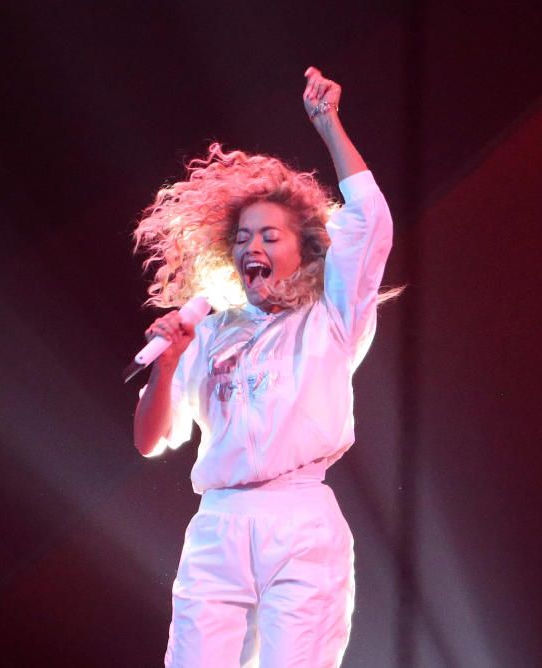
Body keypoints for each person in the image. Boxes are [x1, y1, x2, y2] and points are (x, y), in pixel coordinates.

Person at [132, 66, 397, 667]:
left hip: (298, 523)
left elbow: (370, 223)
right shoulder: (210, 333)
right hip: (218, 528)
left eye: (270, 235)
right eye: (244, 237)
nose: (254, 247)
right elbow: (150, 441)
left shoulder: (331, 318)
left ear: (304, 247)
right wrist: (166, 365)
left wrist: (329, 126)